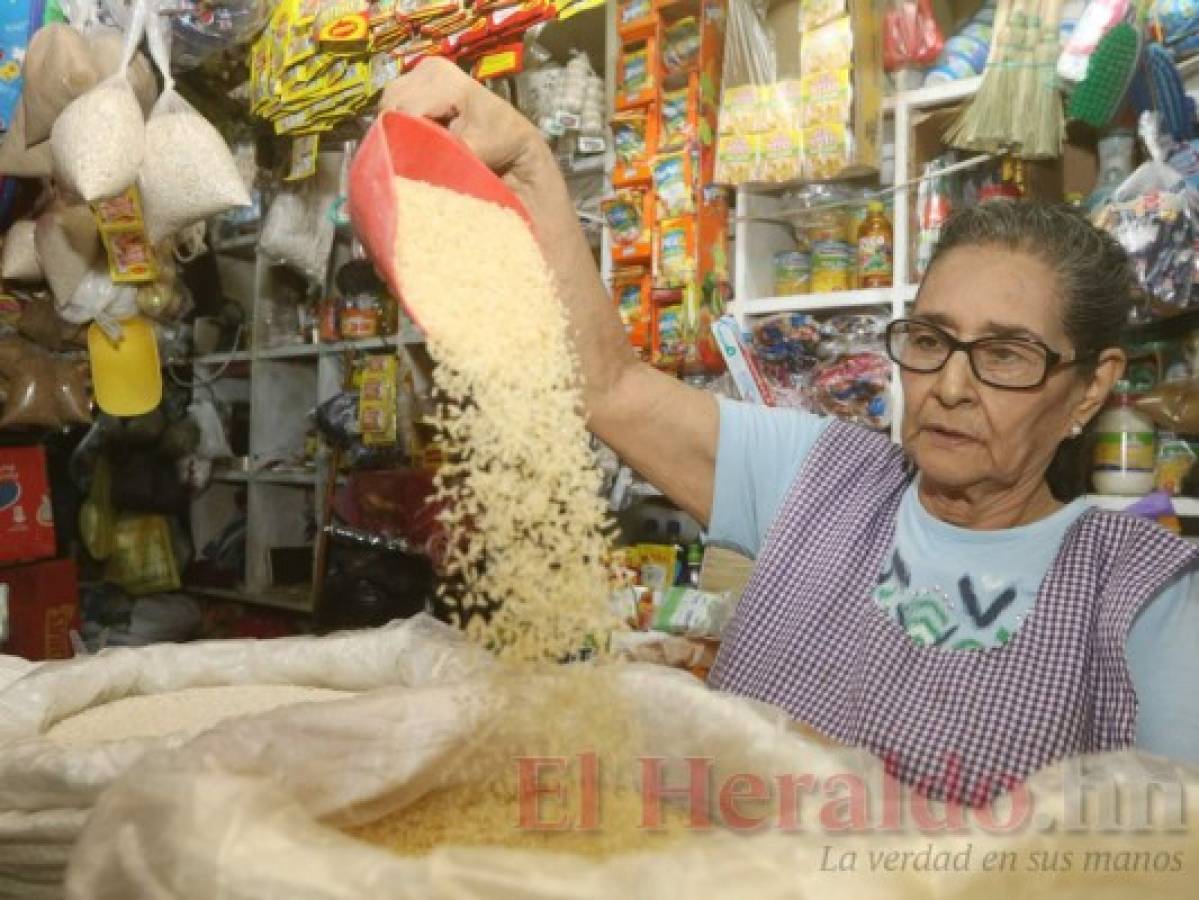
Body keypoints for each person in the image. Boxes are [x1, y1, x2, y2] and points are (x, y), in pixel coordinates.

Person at [382, 60, 1199, 805]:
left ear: (1090, 385)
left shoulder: (1140, 593)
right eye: (929, 340)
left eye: (1004, 355)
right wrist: (528, 163)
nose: (950, 387)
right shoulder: (822, 477)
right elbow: (610, 388)